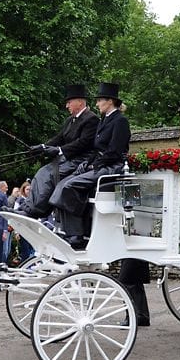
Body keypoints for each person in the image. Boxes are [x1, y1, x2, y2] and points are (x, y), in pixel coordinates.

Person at [49, 82, 131, 249]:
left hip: (112, 167)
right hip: (99, 164)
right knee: (63, 182)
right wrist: (87, 162)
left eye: (99, 100)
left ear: (110, 101)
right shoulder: (104, 121)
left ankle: (77, 234)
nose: (97, 104)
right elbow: (96, 148)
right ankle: (67, 229)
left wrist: (94, 165)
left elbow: (115, 151)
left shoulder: (120, 121)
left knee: (69, 186)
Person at [23, 84, 100, 218]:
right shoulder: (69, 120)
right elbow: (59, 138)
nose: (66, 106)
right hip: (69, 159)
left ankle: (36, 211)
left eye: (69, 102)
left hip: (81, 160)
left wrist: (59, 150)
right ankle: (29, 207)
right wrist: (42, 147)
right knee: (42, 172)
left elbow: (83, 143)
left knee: (49, 174)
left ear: (80, 102)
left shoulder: (91, 119)